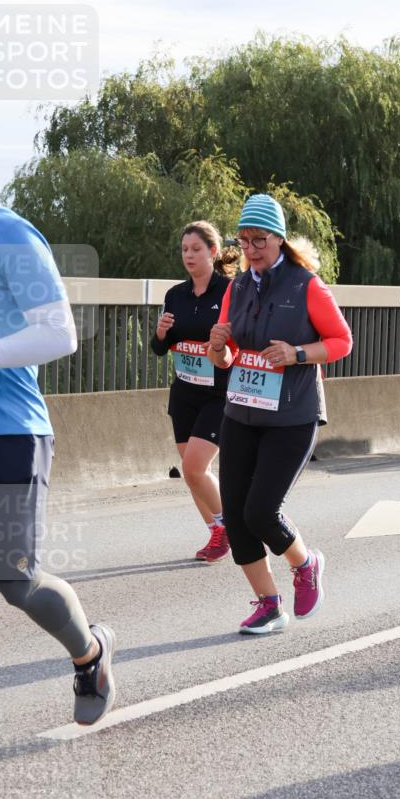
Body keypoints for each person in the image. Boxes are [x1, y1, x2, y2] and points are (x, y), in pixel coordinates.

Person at [0, 111, 116, 776]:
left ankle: (90, 655)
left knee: (17, 582)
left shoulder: (9, 236)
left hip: (9, 436)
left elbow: (61, 335)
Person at [207, 194, 352, 634]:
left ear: (279, 239)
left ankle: (305, 563)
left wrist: (297, 353)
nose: (251, 249)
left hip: (293, 415)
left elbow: (342, 342)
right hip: (242, 411)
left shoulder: (306, 284)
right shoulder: (237, 286)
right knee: (236, 514)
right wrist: (217, 345)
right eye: (244, 240)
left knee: (261, 510)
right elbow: (225, 359)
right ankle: (268, 604)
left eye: (260, 240)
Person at [151, 222, 239, 562]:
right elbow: (161, 349)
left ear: (213, 252)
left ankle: (228, 526)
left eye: (196, 249)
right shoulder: (175, 295)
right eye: (184, 249)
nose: (189, 255)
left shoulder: (230, 291)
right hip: (184, 393)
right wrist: (160, 335)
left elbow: (243, 339)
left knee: (193, 468)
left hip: (219, 393)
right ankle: (217, 533)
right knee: (192, 475)